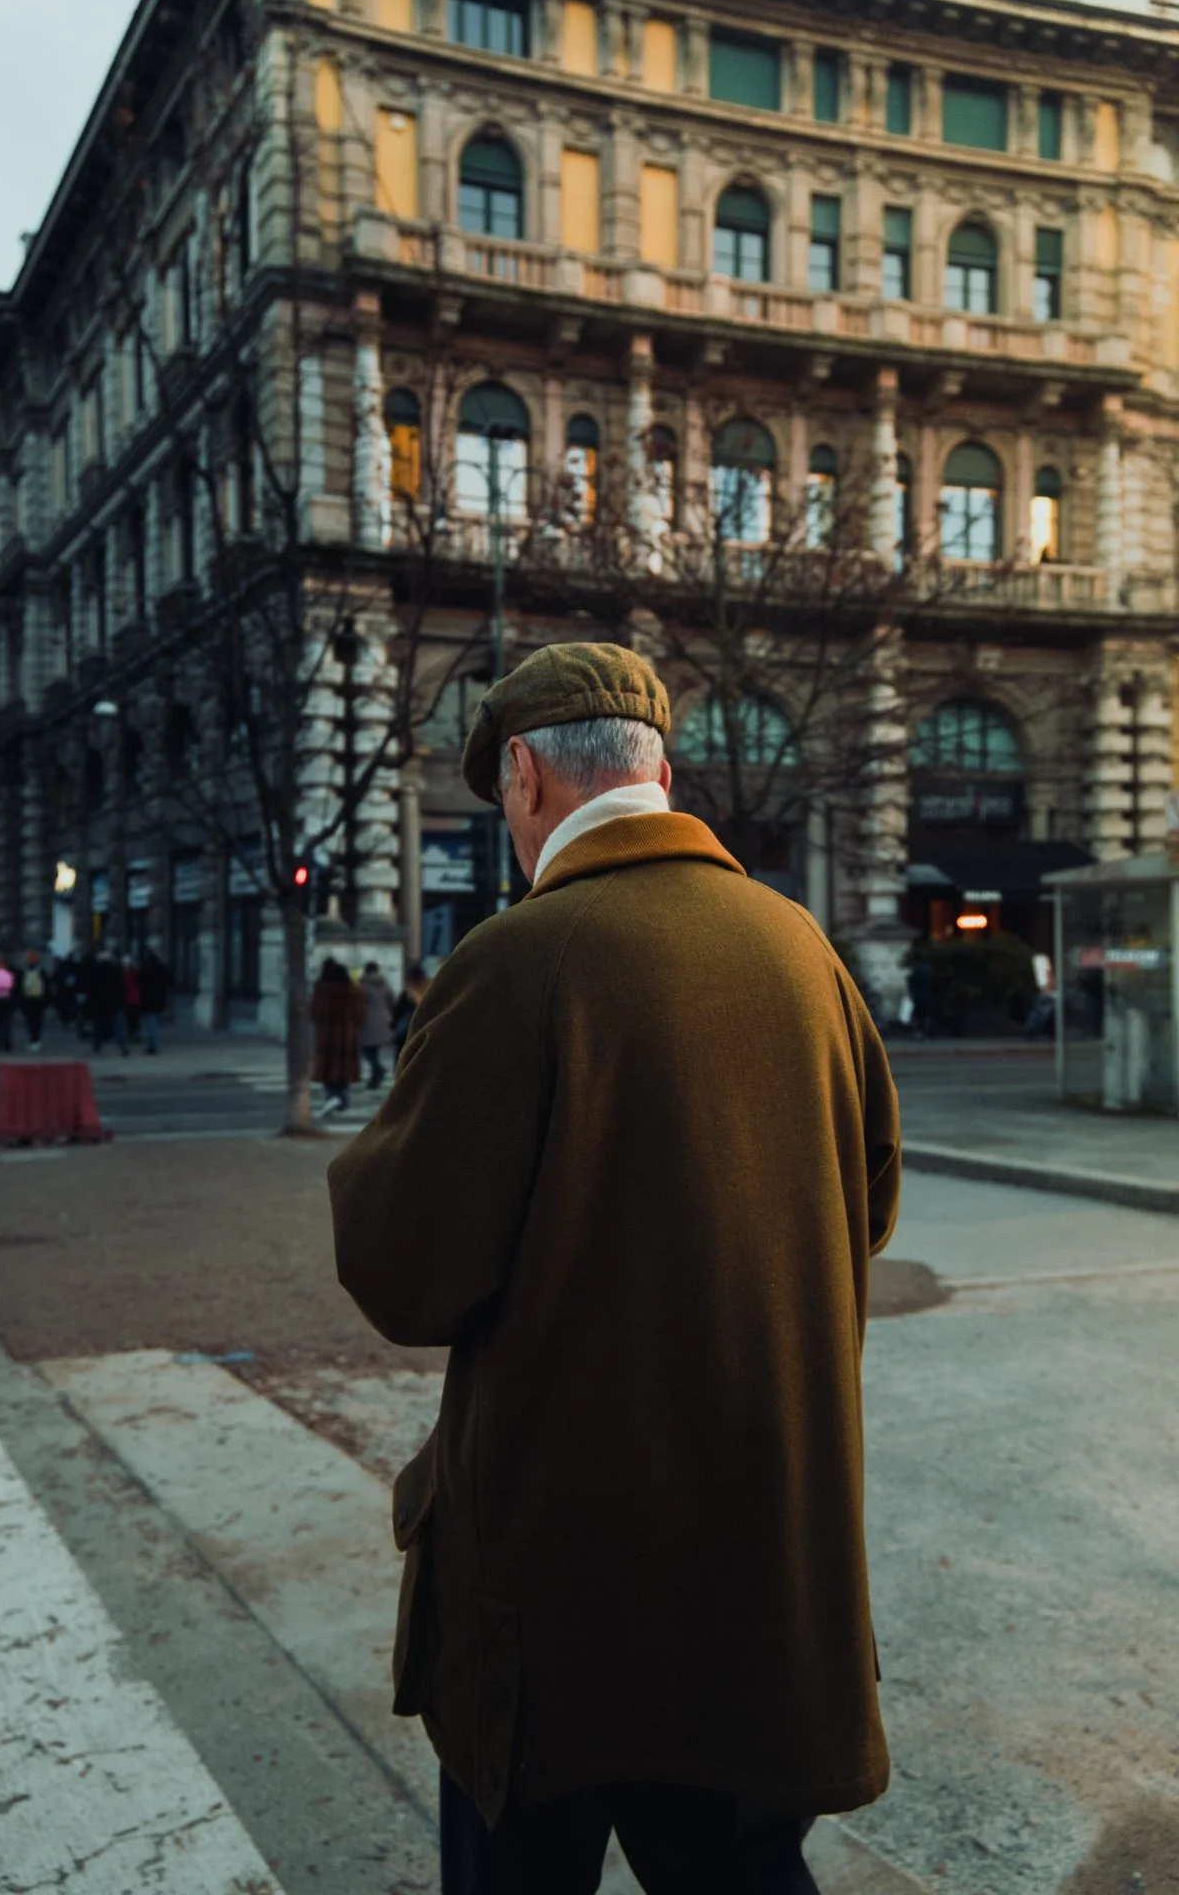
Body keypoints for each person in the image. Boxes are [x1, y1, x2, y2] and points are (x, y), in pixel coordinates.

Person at [330, 643, 901, 1895]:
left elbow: (404, 1273)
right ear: (658, 771)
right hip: (761, 1570)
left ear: (525, 776)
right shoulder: (800, 947)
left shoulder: (519, 957)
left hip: (559, 1590)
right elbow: (866, 1206)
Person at [311, 957, 365, 1115]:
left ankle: (332, 1097)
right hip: (348, 1037)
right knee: (345, 1069)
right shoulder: (354, 991)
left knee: (327, 1068)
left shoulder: (321, 990)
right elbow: (361, 1014)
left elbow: (314, 1013)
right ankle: (343, 1099)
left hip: (326, 1036)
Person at [358, 960, 395, 1091]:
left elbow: (358, 1004)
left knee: (367, 1050)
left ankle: (378, 1070)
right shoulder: (384, 984)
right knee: (373, 1050)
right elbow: (391, 1001)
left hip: (367, 1021)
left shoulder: (362, 985)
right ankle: (375, 1078)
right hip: (384, 1020)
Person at [89, 950, 126, 1056]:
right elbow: (121, 987)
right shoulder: (115, 970)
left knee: (98, 1025)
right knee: (118, 1024)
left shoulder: (95, 971)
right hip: (115, 1002)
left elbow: (92, 988)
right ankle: (122, 1045)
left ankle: (97, 1045)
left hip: (99, 1002)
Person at [389, 961, 428, 1061]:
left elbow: (396, 1014)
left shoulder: (406, 995)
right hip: (416, 1036)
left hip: (408, 1037)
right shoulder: (427, 994)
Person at [138, 948, 171, 1055]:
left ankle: (151, 1045)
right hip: (159, 999)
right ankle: (155, 1045)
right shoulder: (161, 968)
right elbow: (169, 981)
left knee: (148, 1023)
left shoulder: (144, 968)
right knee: (155, 1023)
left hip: (146, 999)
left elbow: (138, 982)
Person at [18, 949, 49, 1053]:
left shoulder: (24, 971)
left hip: (30, 999)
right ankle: (35, 1040)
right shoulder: (41, 971)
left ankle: (35, 1040)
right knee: (35, 1021)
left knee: (33, 1021)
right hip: (37, 999)